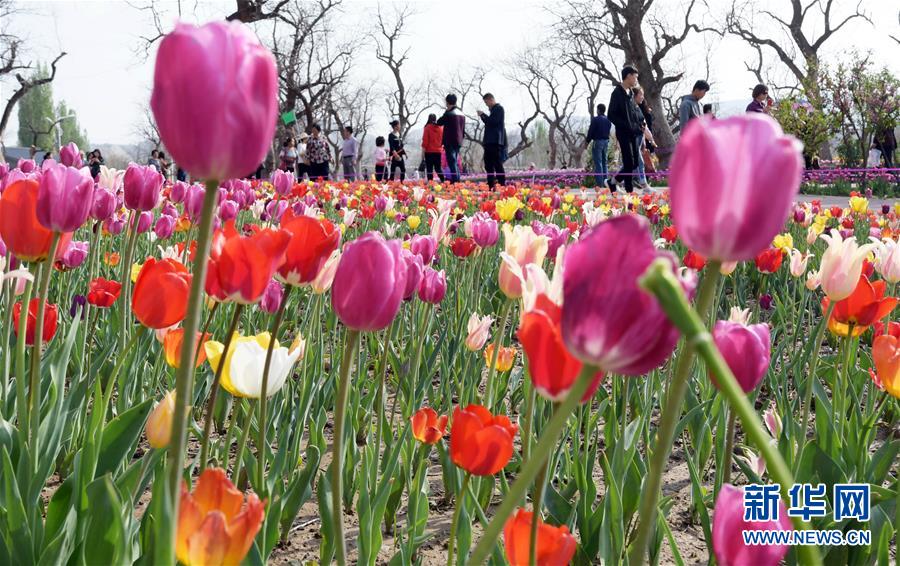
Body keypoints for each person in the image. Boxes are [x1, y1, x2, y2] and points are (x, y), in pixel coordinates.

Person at [607, 65, 643, 193]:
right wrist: (625, 125)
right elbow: (610, 114)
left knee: (634, 163)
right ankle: (629, 191)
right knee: (628, 162)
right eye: (635, 77)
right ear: (628, 76)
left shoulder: (631, 93)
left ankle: (613, 181)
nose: (636, 80)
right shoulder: (617, 93)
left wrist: (637, 126)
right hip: (623, 133)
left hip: (633, 133)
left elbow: (634, 113)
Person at [478, 92, 507, 189]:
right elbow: (489, 122)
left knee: (497, 164)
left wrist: (483, 115)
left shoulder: (499, 109)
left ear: (491, 99)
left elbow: (492, 122)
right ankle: (491, 184)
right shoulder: (493, 111)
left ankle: (501, 184)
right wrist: (484, 116)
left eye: (487, 103)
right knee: (488, 164)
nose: (487, 105)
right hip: (489, 142)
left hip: (495, 141)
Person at [437, 93, 466, 182]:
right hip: (459, 141)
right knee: (455, 162)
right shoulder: (462, 113)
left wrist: (446, 112)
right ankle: (457, 180)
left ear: (447, 102)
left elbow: (439, 122)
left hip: (449, 141)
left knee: (452, 162)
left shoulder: (449, 113)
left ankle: (456, 181)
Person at [634, 88, 656, 188]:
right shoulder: (635, 109)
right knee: (640, 161)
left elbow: (645, 126)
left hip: (643, 138)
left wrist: (650, 138)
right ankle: (643, 182)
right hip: (638, 138)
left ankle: (642, 181)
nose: (642, 97)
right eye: (641, 95)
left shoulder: (640, 109)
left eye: (643, 95)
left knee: (640, 161)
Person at [586, 104, 612, 186]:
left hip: (598, 142)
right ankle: (606, 182)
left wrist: (587, 141)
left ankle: (599, 183)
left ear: (598, 110)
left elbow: (591, 132)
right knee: (605, 162)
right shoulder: (608, 120)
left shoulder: (595, 119)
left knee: (598, 163)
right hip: (606, 141)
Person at [422, 113, 444, 182]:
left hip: (429, 152)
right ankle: (443, 180)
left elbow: (425, 141)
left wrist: (422, 154)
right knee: (438, 168)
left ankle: (430, 184)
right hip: (438, 151)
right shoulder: (441, 128)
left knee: (429, 169)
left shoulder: (427, 128)